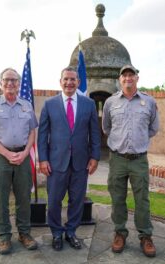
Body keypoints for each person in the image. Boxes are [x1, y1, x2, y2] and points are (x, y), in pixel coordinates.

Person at [38, 66, 101, 251]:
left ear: (78, 82)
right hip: (56, 163)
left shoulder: (88, 104)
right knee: (54, 201)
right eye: (66, 79)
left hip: (81, 163)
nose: (69, 82)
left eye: (73, 79)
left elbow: (94, 133)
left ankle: (71, 232)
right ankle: (56, 233)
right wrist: (43, 159)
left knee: (77, 200)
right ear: (60, 81)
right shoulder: (50, 104)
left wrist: (95, 157)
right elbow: (42, 135)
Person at [0, 68, 38, 255]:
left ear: (19, 84)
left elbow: (32, 132)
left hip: (23, 156)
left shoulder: (26, 105)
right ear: (1, 83)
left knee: (24, 198)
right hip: (0, 158)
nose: (10, 83)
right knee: (1, 200)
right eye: (7, 80)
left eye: (14, 80)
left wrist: (26, 152)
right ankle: (4, 237)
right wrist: (6, 153)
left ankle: (24, 234)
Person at [102, 65, 160, 257]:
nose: (128, 78)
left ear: (137, 78)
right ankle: (120, 233)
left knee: (142, 199)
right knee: (117, 198)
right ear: (120, 80)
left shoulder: (149, 102)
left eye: (131, 75)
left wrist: (138, 141)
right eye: (124, 75)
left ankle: (145, 236)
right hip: (117, 159)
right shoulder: (110, 102)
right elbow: (107, 128)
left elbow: (153, 128)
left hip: (139, 160)